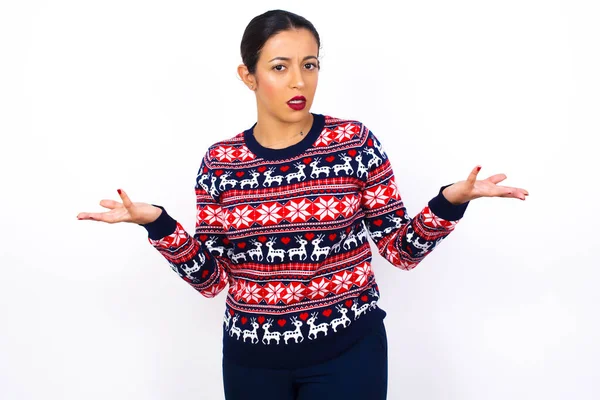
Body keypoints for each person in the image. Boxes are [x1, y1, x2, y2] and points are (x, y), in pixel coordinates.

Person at [77, 9, 529, 400]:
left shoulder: (352, 143)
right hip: (251, 362)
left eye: (310, 65)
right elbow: (213, 280)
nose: (299, 81)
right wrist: (157, 224)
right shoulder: (221, 162)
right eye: (279, 67)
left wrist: (451, 202)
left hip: (349, 353)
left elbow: (399, 251)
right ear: (248, 75)